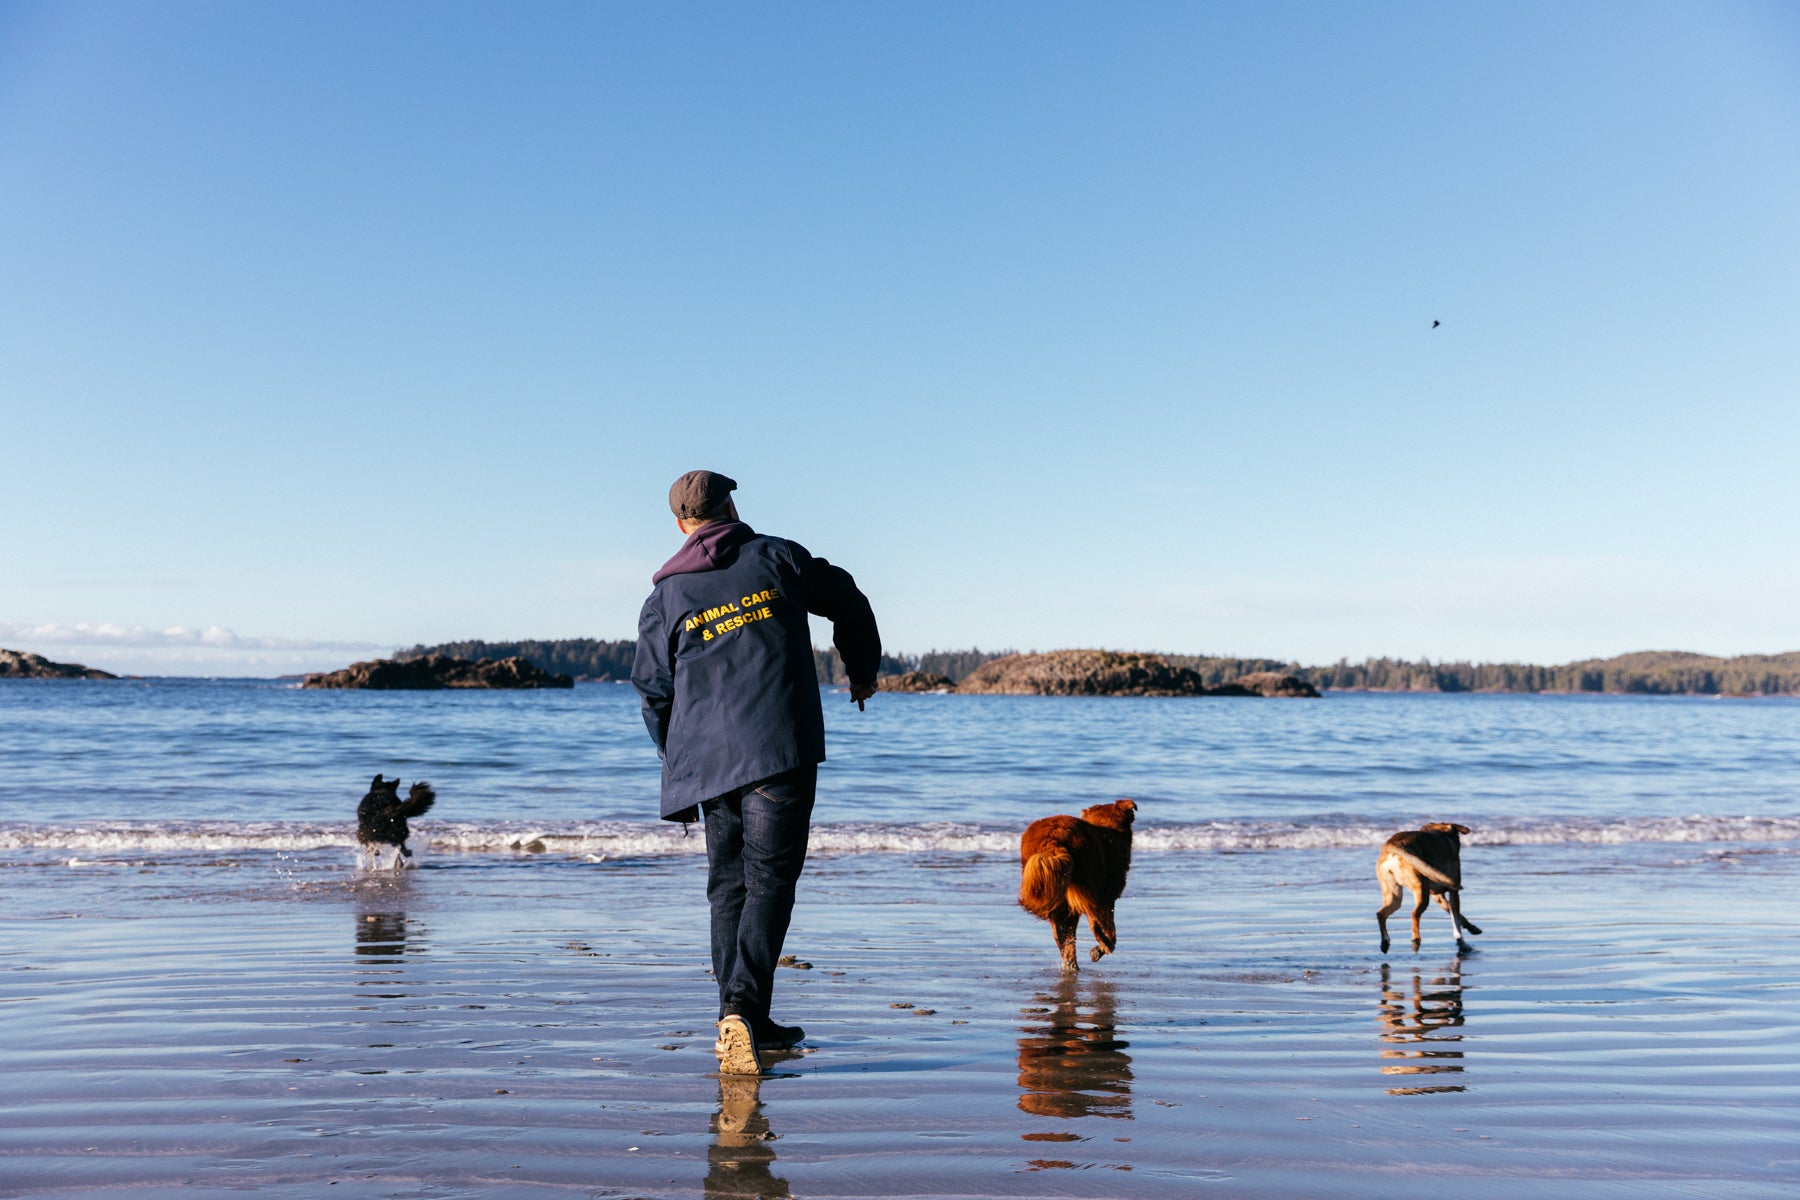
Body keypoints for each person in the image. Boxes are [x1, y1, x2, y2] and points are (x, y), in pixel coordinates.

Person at [632, 470, 880, 1075]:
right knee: (768, 882)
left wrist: (679, 764)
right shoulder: (778, 556)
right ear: (731, 506)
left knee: (728, 887)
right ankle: (743, 1011)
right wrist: (862, 670)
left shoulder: (665, 599)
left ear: (679, 523)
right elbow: (849, 597)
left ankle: (742, 1020)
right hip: (780, 750)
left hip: (710, 765)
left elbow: (652, 690)